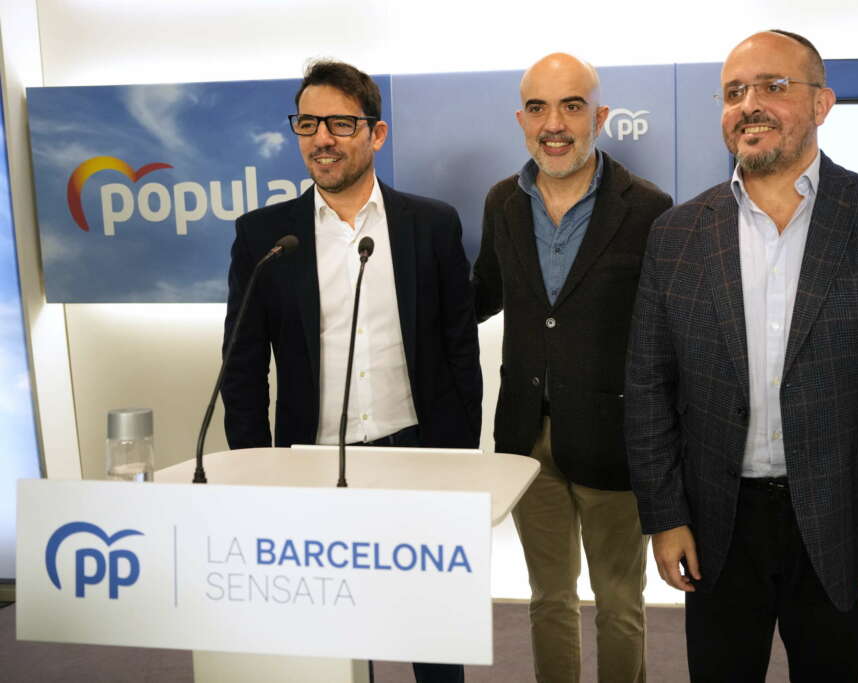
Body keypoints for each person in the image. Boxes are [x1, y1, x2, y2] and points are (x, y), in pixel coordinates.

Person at [625, 30, 858, 682]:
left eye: (774, 87)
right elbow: (648, 386)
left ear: (822, 103)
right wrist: (665, 516)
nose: (750, 104)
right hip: (718, 525)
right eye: (734, 92)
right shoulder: (677, 234)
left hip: (846, 520)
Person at [221, 60, 482, 683]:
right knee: (321, 636)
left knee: (434, 630)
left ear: (377, 134)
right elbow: (242, 364)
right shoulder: (264, 235)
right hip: (309, 460)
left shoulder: (432, 223)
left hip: (419, 454)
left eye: (341, 122)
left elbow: (459, 349)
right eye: (308, 122)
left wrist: (459, 459)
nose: (322, 138)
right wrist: (256, 470)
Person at [473, 53, 673, 683]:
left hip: (614, 441)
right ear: (520, 120)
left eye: (571, 106)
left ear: (601, 117)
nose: (553, 124)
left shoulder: (647, 208)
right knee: (549, 600)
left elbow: (665, 334)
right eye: (538, 108)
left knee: (619, 605)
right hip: (527, 441)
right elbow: (483, 294)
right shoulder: (503, 200)